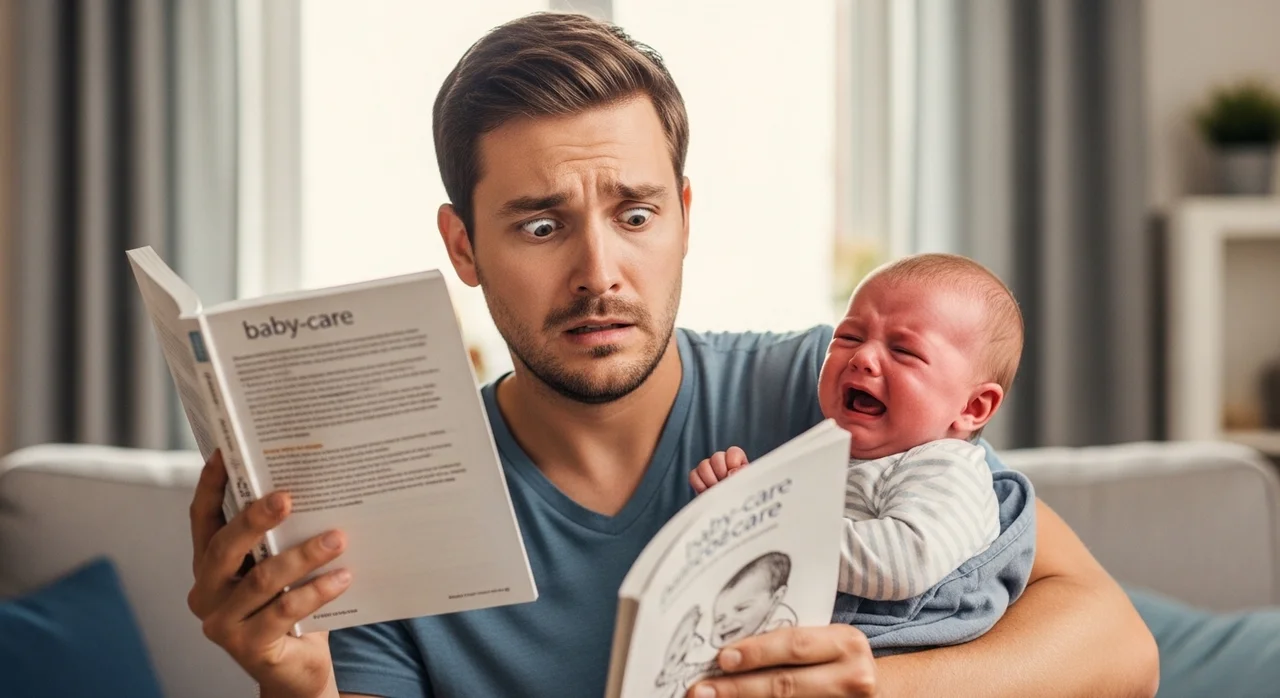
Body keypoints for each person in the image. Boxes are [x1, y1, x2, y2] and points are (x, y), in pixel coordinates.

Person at [184, 11, 1158, 698]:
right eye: (537, 225)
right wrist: (294, 681)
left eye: (635, 213)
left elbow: (1116, 645)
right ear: (462, 246)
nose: (597, 271)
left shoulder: (826, 385)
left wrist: (886, 684)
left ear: (682, 218)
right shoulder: (391, 502)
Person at [692, 253, 1037, 654]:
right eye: (849, 338)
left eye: (904, 350)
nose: (862, 358)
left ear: (972, 408)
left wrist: (767, 527)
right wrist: (741, 496)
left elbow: (904, 564)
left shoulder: (945, 467)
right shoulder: (840, 456)